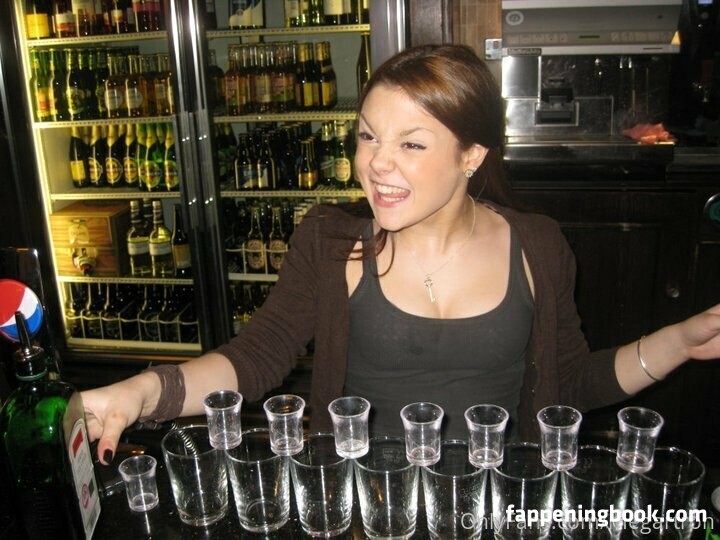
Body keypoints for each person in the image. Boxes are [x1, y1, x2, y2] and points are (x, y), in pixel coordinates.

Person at [83, 44, 720, 464]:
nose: (376, 164)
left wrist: (679, 343)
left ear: (472, 155)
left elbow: (570, 383)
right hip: (368, 504)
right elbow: (257, 357)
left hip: (493, 504)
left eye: (411, 144)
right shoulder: (330, 241)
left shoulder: (539, 245)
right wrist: (142, 392)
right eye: (368, 137)